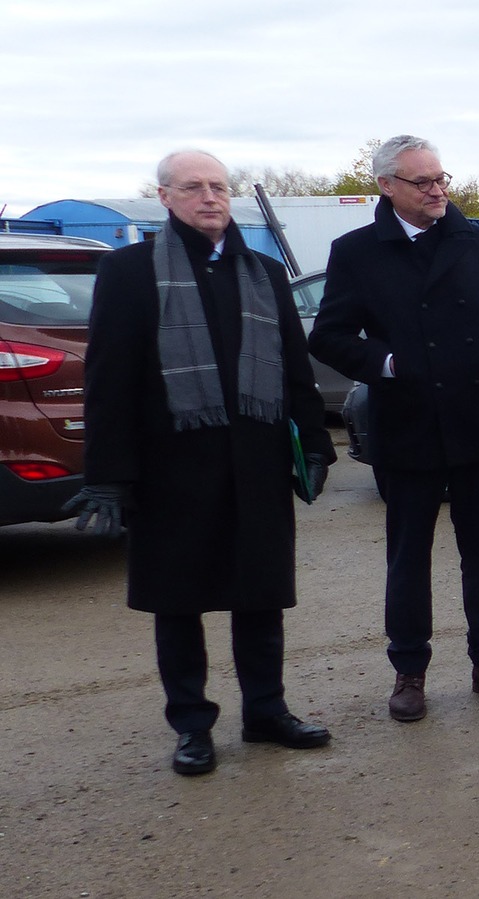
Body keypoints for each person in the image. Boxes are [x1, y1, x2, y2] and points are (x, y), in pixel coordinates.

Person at [65, 149, 335, 775]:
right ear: (164, 197)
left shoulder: (263, 272)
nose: (210, 197)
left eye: (218, 186)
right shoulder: (130, 271)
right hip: (171, 472)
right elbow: (108, 381)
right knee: (178, 603)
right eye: (193, 187)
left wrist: (317, 445)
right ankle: (192, 725)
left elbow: (296, 372)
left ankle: (266, 711)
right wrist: (107, 476)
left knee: (261, 597)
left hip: (257, 465)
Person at [309, 135, 479, 722]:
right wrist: (389, 363)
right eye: (423, 182)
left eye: (441, 179)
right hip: (407, 425)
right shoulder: (357, 252)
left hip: (476, 421)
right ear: (387, 186)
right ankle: (409, 670)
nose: (437, 191)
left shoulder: (471, 241)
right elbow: (329, 335)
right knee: (408, 557)